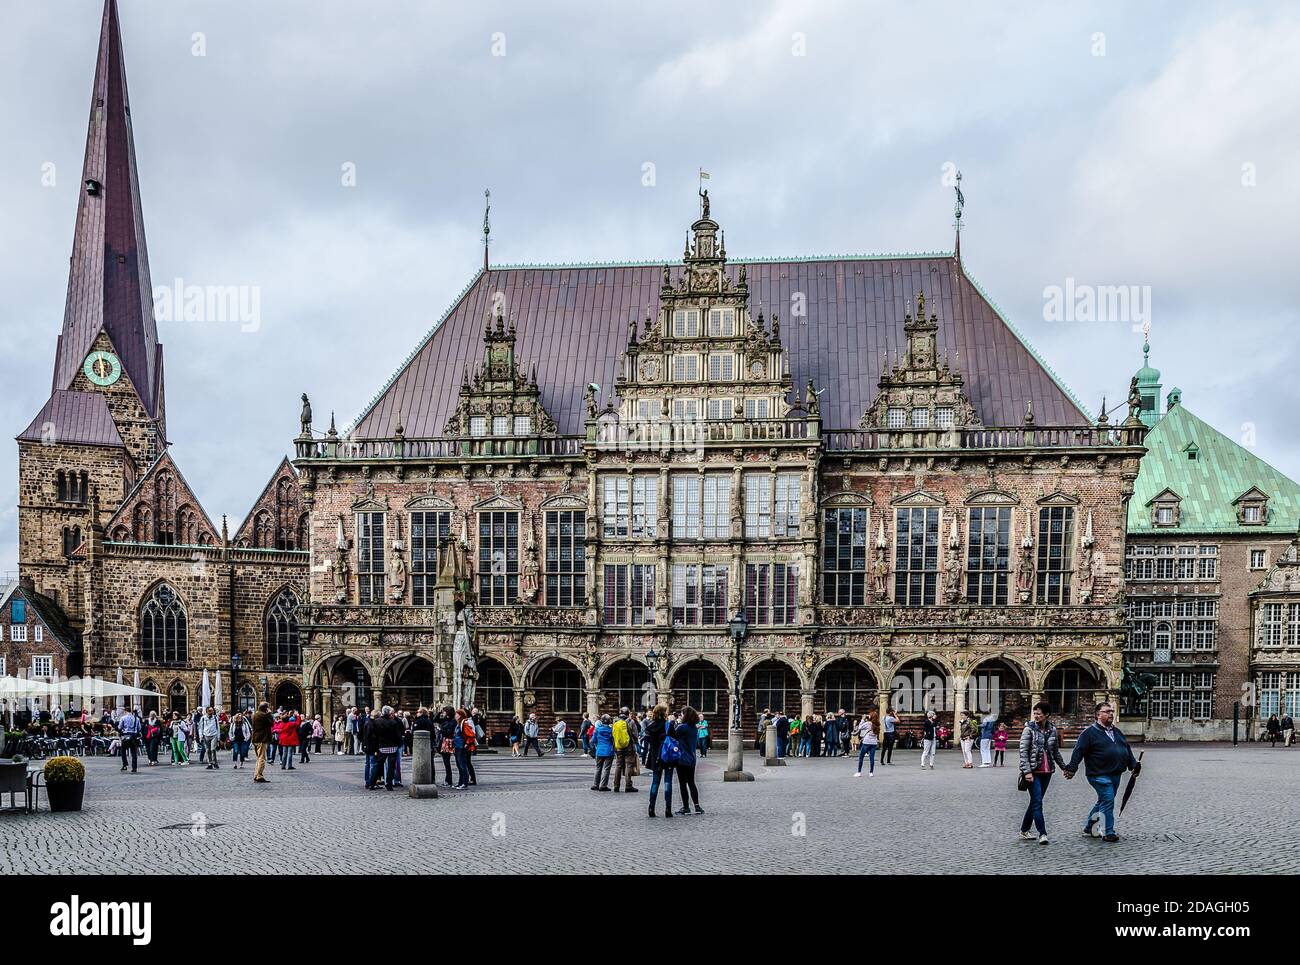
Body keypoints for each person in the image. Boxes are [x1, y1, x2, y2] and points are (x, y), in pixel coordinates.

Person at [1064, 702, 1140, 843]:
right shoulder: (1089, 733)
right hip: (1098, 774)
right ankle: (1108, 832)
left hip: (1115, 773)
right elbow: (1078, 751)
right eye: (1107, 711)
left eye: (1112, 711)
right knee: (1108, 800)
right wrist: (1072, 768)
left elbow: (1126, 749)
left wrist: (1133, 765)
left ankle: (1089, 827)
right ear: (1098, 715)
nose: (1111, 713)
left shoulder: (1116, 732)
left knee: (1103, 801)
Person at [1018, 701, 1070, 845]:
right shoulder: (1029, 729)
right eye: (1034, 713)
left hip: (1047, 771)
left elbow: (1055, 752)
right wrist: (1027, 771)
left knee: (1035, 801)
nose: (1036, 716)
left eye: (1039, 714)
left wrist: (1063, 767)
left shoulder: (1052, 730)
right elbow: (1023, 752)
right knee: (1037, 802)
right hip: (1033, 772)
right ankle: (1043, 833)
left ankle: (1024, 830)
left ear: (1046, 715)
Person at [643, 704, 675, 818]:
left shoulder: (651, 726)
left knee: (655, 783)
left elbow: (647, 742)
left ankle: (651, 808)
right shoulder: (668, 726)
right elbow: (674, 739)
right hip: (667, 757)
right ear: (664, 713)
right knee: (668, 782)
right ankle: (668, 809)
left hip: (655, 757)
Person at [674, 706, 704, 815]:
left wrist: (674, 723)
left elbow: (672, 734)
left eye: (682, 714)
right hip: (691, 758)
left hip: (682, 758)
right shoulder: (693, 728)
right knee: (691, 782)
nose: (680, 716)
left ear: (685, 715)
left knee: (682, 783)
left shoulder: (683, 727)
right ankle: (697, 806)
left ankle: (686, 807)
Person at [367, 705, 405, 790]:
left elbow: (374, 735)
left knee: (378, 765)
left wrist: (376, 745)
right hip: (392, 746)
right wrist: (398, 742)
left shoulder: (377, 722)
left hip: (381, 746)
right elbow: (398, 735)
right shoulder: (393, 722)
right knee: (391, 767)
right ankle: (389, 784)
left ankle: (372, 783)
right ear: (389, 713)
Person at [612, 708, 639, 792]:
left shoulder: (615, 722)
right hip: (629, 747)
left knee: (618, 766)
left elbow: (613, 734)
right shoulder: (631, 722)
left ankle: (616, 786)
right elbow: (635, 735)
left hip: (618, 747)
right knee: (629, 765)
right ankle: (628, 786)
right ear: (628, 713)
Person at [591, 714, 615, 791]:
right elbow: (613, 741)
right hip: (609, 751)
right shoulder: (611, 730)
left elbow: (593, 740)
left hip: (599, 751)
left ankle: (595, 784)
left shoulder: (597, 729)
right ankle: (603, 785)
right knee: (606, 769)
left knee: (598, 768)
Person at [251, 702, 273, 782]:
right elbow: (271, 723)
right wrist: (269, 714)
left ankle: (256, 774)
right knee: (262, 758)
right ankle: (259, 775)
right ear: (265, 708)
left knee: (259, 758)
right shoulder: (263, 715)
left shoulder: (255, 714)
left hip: (256, 738)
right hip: (262, 738)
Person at [854, 709, 878, 777]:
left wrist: (862, 719)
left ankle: (859, 772)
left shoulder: (868, 723)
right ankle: (871, 772)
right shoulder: (878, 724)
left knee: (861, 757)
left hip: (866, 742)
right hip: (874, 742)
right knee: (872, 758)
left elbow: (860, 727)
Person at [436, 706, 456, 786]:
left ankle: (449, 780)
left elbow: (449, 732)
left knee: (447, 762)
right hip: (444, 742)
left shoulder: (453, 721)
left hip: (448, 742)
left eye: (444, 712)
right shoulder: (446, 719)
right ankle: (448, 779)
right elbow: (436, 719)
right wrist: (439, 712)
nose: (443, 713)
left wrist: (440, 730)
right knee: (446, 762)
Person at [118, 706, 141, 773]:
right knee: (133, 752)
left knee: (123, 751)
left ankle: (125, 764)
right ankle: (134, 768)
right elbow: (139, 728)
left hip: (125, 736)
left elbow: (120, 727)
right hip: (133, 736)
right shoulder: (136, 719)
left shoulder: (123, 718)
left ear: (125, 711)